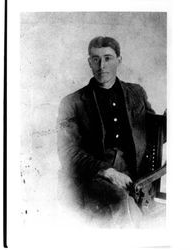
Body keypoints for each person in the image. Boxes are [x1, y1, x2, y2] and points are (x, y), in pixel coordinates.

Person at [57, 36, 156, 221]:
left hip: (135, 176)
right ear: (89, 62)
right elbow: (67, 152)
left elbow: (154, 132)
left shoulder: (136, 93)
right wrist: (107, 172)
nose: (102, 65)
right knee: (123, 208)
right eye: (96, 59)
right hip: (94, 178)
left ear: (119, 60)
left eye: (108, 58)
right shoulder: (72, 102)